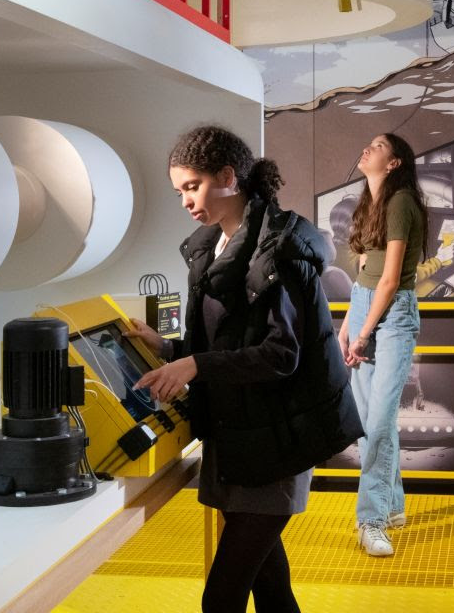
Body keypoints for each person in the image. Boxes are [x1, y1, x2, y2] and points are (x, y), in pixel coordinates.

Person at [129, 125, 363, 613]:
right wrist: (170, 348)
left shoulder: (280, 249)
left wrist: (193, 363)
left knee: (221, 599)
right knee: (272, 591)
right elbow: (224, 344)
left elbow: (280, 354)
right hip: (241, 438)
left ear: (228, 177)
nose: (186, 202)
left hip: (278, 440)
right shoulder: (211, 248)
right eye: (179, 192)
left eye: (192, 186)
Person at [339, 132, 427, 558]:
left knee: (378, 423)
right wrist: (349, 323)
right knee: (372, 420)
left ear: (394, 163)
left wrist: (362, 331)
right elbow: (365, 274)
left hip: (390, 317)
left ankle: (370, 519)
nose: (367, 148)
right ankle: (392, 505)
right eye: (367, 142)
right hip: (364, 307)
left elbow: (390, 280)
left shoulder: (401, 202)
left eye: (377, 146)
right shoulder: (370, 203)